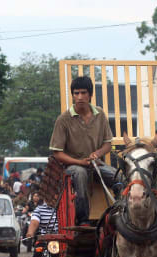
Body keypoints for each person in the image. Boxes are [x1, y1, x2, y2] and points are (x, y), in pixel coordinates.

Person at [49, 76, 118, 226]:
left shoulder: (100, 114)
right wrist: (79, 162)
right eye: (76, 93)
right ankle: (83, 219)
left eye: (83, 93)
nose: (79, 97)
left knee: (119, 177)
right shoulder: (64, 119)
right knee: (80, 174)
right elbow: (57, 153)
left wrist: (97, 154)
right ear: (73, 95)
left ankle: (122, 212)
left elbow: (108, 144)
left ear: (90, 95)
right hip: (72, 166)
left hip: (95, 164)